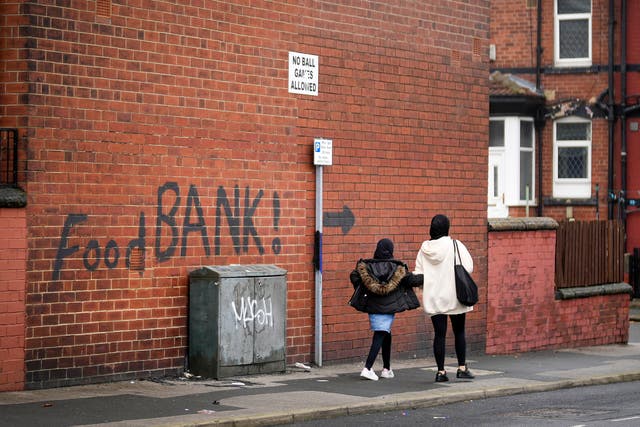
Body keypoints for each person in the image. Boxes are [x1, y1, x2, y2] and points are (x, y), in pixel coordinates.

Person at [349, 238, 423, 381]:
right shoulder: (397, 268)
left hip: (373, 306)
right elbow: (412, 280)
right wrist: (431, 275)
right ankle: (368, 368)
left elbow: (354, 276)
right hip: (388, 308)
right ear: (391, 250)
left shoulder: (366, 267)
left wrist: (363, 286)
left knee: (385, 333)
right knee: (380, 334)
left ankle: (386, 368)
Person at [414, 214, 475, 382]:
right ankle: (462, 368)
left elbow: (419, 273)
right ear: (447, 227)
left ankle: (441, 372)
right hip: (455, 296)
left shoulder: (425, 249)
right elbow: (468, 267)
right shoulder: (455, 245)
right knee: (459, 331)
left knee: (439, 335)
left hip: (434, 297)